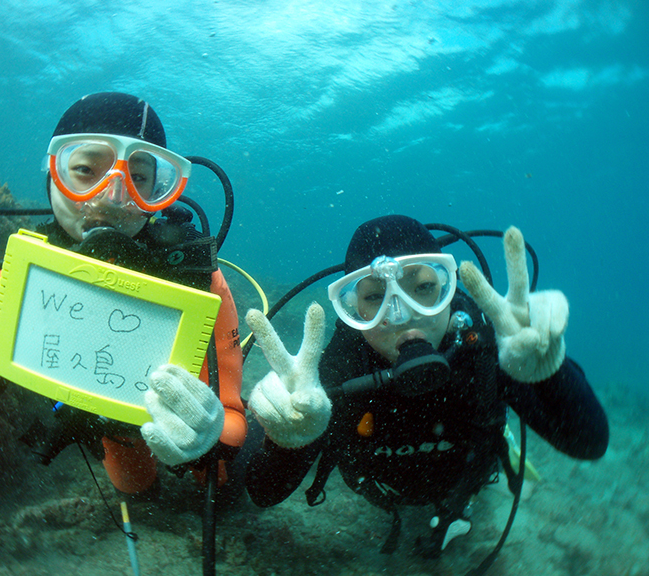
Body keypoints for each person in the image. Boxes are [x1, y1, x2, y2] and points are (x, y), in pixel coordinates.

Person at [0, 92, 246, 576]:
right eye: (85, 170)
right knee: (139, 492)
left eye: (139, 180)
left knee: (221, 487)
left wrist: (213, 432)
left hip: (182, 440)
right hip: (115, 434)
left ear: (164, 192)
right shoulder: (18, 281)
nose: (113, 197)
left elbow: (233, 416)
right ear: (52, 172)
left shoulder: (199, 281)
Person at [243, 214, 608, 558]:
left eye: (423, 288)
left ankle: (494, 462)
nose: (402, 315)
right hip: (382, 490)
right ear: (352, 309)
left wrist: (548, 373)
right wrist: (288, 442)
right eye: (374, 297)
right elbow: (263, 492)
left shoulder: (485, 349)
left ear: (447, 288)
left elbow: (590, 443)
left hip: (466, 481)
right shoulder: (339, 371)